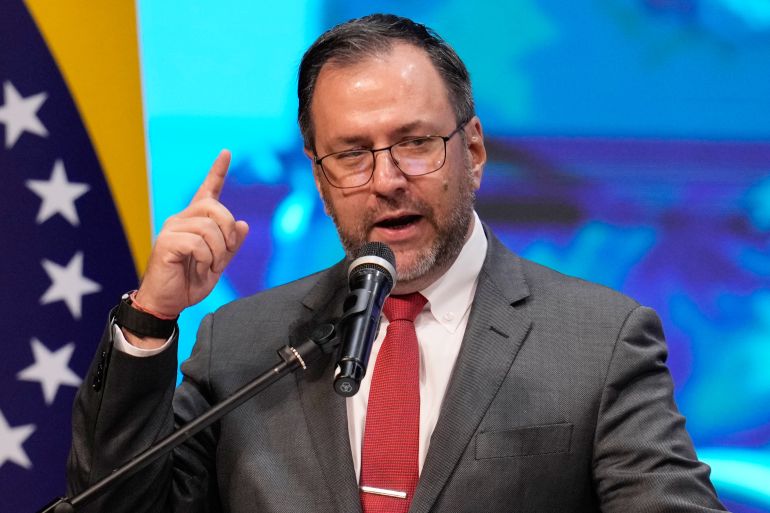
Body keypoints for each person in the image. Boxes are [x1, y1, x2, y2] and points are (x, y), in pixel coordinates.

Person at [67, 13, 727, 513]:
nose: (386, 180)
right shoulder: (241, 344)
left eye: (415, 143)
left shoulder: (600, 340)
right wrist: (151, 317)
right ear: (321, 181)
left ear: (473, 152)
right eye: (352, 154)